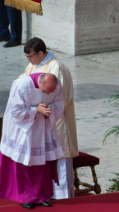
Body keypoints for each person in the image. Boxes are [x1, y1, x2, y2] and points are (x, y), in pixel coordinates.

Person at [20, 37, 79, 199]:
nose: (28, 59)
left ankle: (64, 199)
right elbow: (22, 86)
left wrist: (41, 108)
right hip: (38, 121)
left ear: (40, 53)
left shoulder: (56, 67)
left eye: (30, 56)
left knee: (59, 158)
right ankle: (45, 195)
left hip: (56, 120)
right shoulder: (30, 67)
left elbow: (62, 97)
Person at [0, 73, 64, 209]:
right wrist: (36, 110)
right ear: (40, 83)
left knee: (42, 162)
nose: (47, 94)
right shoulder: (22, 85)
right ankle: (25, 196)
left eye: (50, 92)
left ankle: (41, 196)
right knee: (24, 163)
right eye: (45, 91)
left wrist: (49, 109)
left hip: (43, 127)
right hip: (22, 129)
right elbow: (15, 111)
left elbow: (59, 103)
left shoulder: (56, 85)